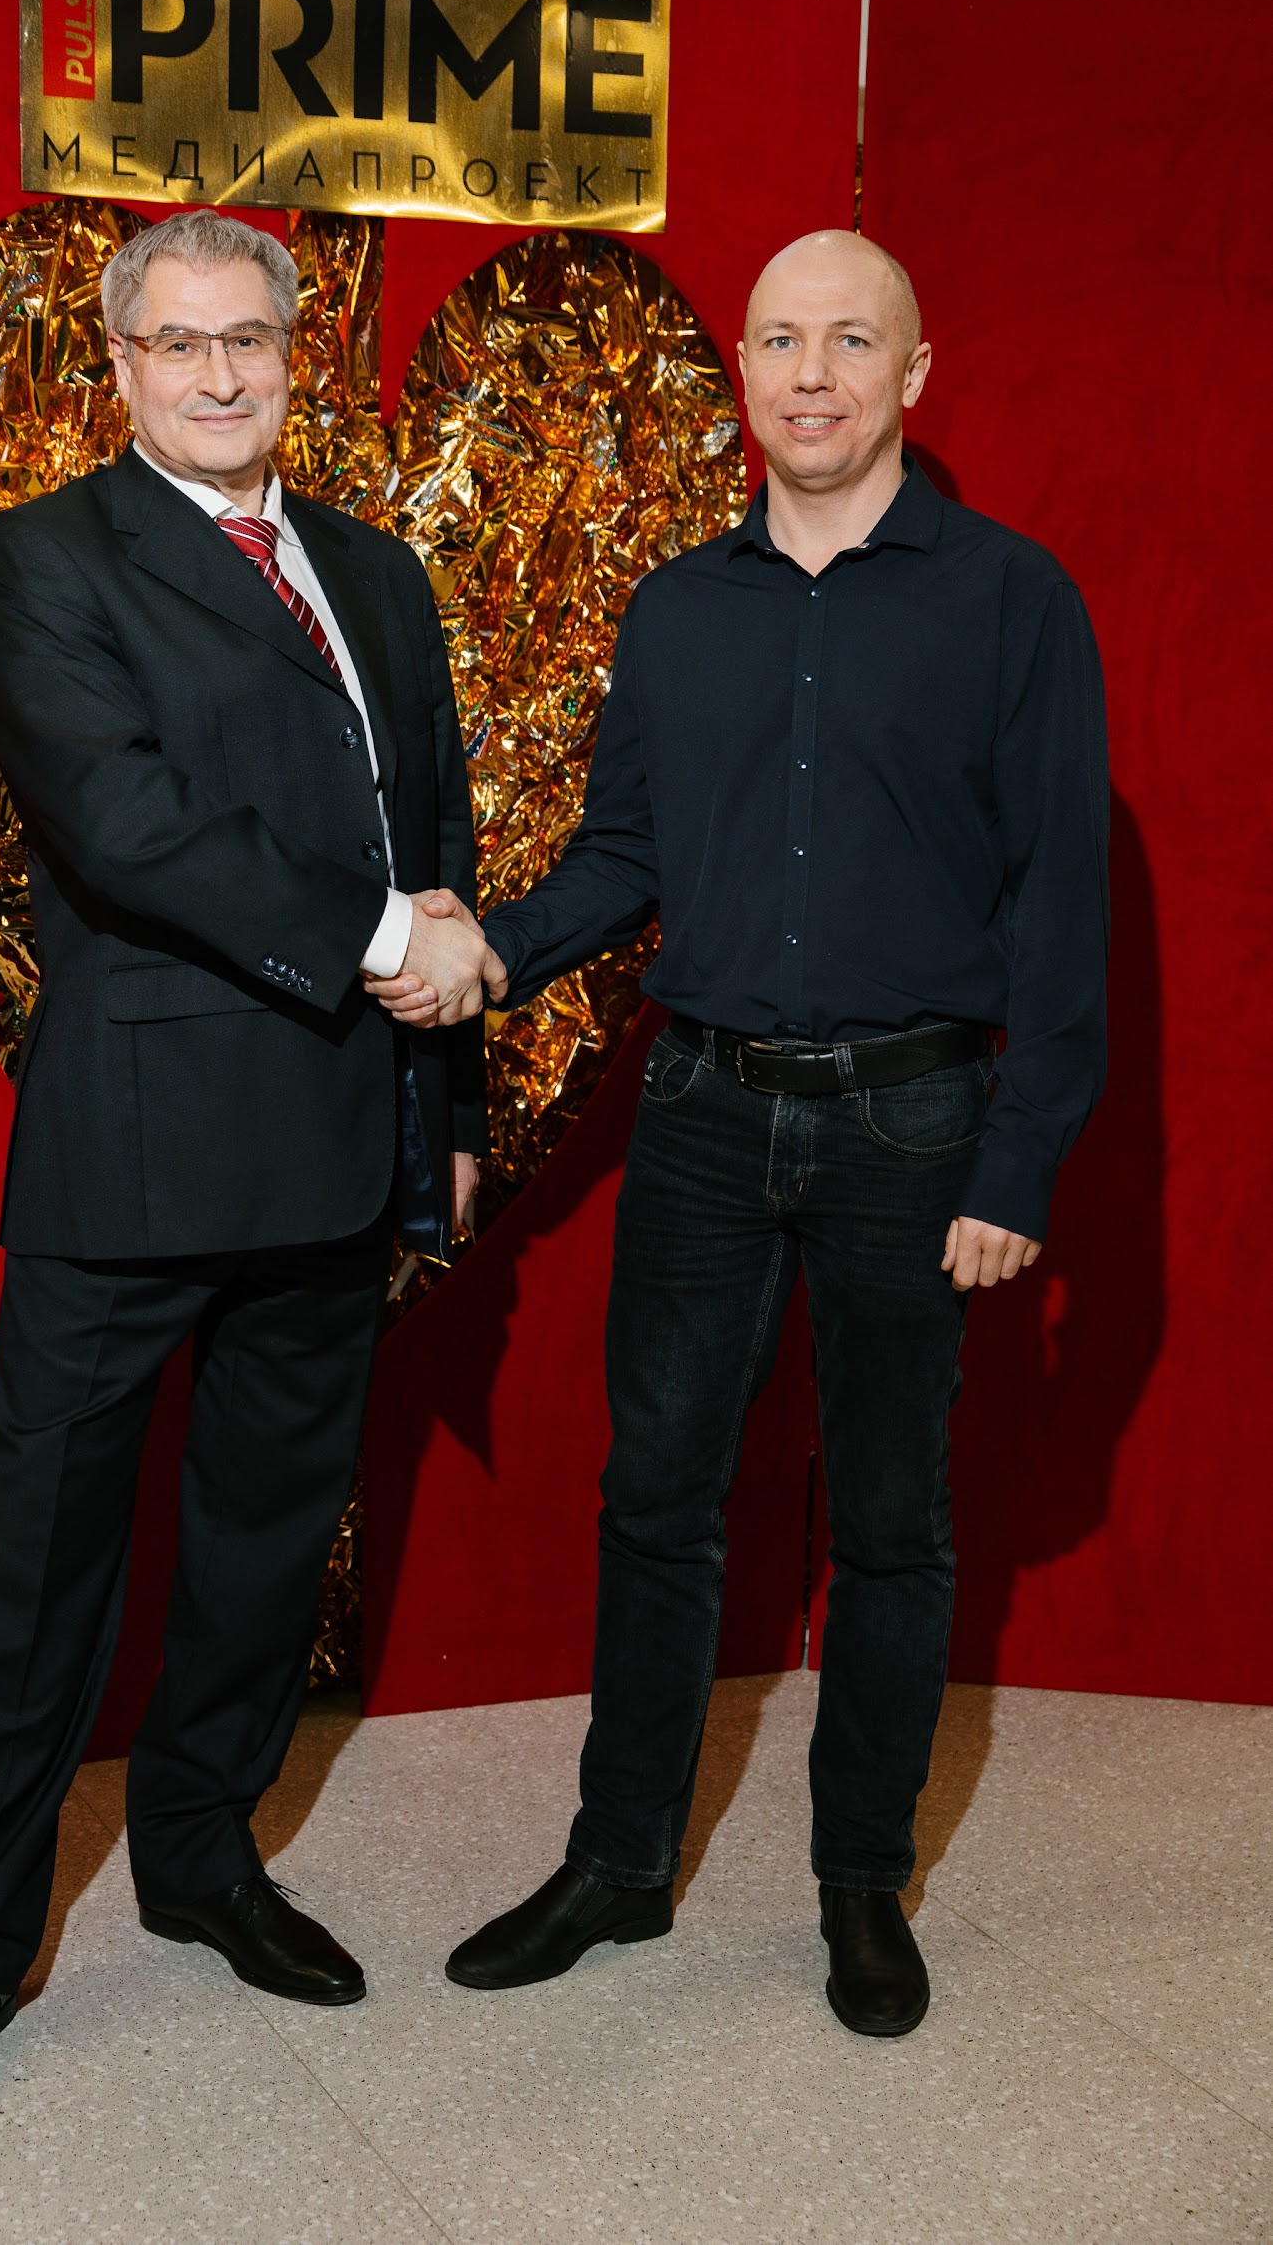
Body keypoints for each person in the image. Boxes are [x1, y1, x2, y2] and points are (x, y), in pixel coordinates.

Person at [371, 228, 1109, 2037]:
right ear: (745, 377)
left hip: (915, 1125)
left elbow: (1059, 901)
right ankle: (619, 1864)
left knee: (891, 1525)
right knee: (656, 1502)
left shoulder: (1012, 601)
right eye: (778, 339)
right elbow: (625, 852)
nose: (809, 374)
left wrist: (1017, 1157)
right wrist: (491, 951)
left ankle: (860, 1885)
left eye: (849, 341)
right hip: (701, 1114)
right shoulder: (676, 608)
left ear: (909, 375)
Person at [0, 209, 503, 2138]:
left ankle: (202, 1859)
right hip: (134, 1153)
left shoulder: (374, 571)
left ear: (296, 356)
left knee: (259, 1553)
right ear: (122, 366)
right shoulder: (40, 557)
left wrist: (451, 1109)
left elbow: (435, 838)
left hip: (340, 1140)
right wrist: (387, 947)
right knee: (36, 1571)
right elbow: (128, 826)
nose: (221, 375)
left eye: (253, 340)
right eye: (181, 343)